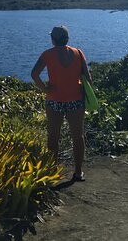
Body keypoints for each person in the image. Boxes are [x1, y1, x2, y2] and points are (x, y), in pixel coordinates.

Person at [31, 25, 92, 182]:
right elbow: (88, 78)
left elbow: (34, 74)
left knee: (53, 137)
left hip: (54, 101)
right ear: (67, 38)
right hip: (75, 101)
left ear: (53, 39)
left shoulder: (47, 54)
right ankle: (78, 172)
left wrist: (45, 89)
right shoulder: (78, 53)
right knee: (78, 137)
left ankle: (52, 172)